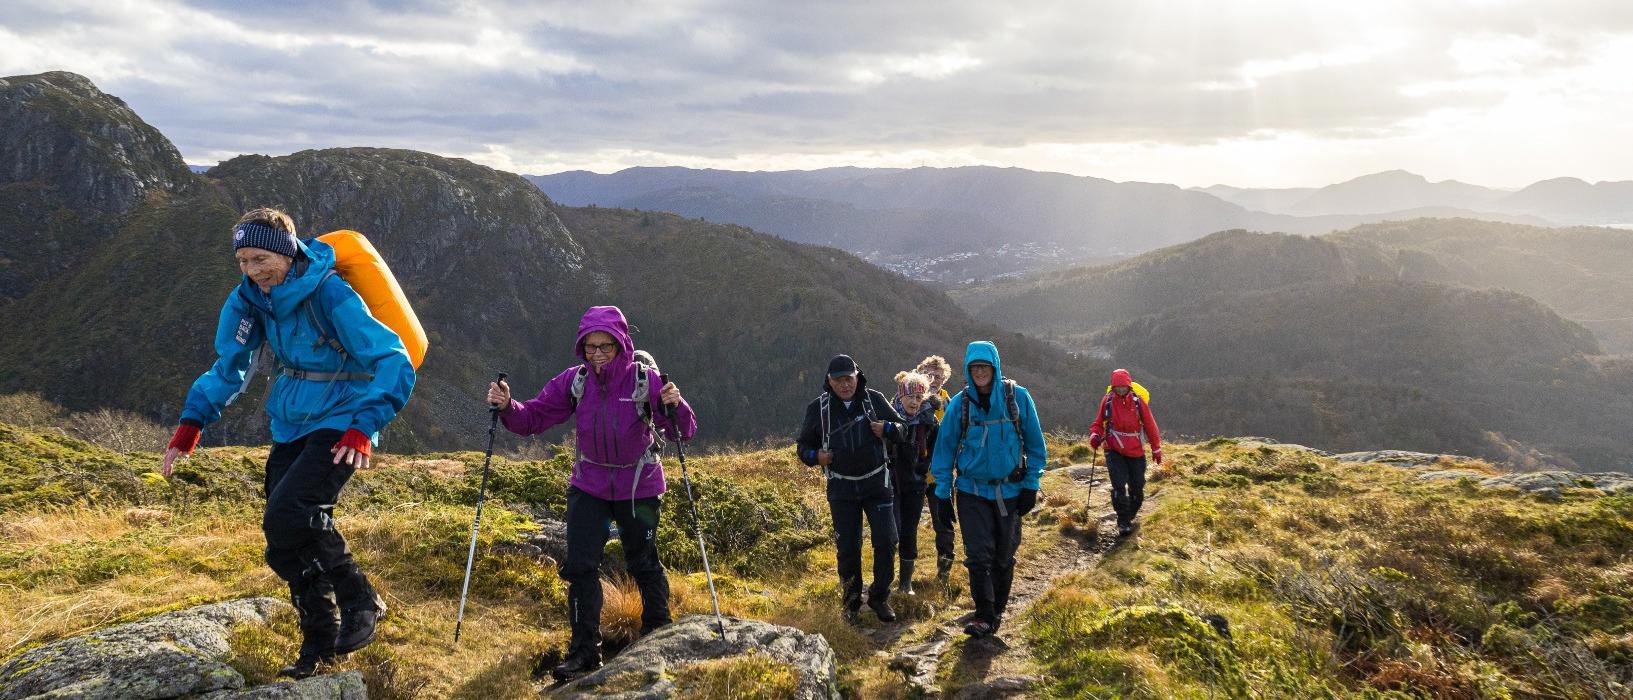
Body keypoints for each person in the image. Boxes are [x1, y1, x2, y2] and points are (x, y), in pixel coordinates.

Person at [161, 208, 416, 678]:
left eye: (260, 258)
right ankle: (318, 644)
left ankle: (360, 598)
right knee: (282, 538)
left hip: (343, 417)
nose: (252, 270)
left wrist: (364, 425)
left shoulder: (330, 292)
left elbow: (392, 358)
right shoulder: (249, 300)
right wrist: (191, 423)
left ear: (287, 252)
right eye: (242, 260)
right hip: (292, 419)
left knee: (293, 511)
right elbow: (230, 366)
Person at [486, 306, 695, 681]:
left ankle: (658, 637)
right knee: (581, 567)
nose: (597, 354)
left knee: (643, 562)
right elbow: (534, 417)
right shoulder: (575, 381)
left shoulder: (645, 381)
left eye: (605, 347)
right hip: (589, 486)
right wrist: (507, 407)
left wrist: (676, 405)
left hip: (639, 487)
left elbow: (683, 430)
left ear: (621, 344)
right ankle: (584, 653)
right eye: (590, 347)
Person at [928, 341, 1046, 638]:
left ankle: (997, 611)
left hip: (1011, 491)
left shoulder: (1017, 398)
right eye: (974, 367)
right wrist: (942, 494)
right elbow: (943, 451)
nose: (980, 372)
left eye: (985, 367)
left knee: (1003, 557)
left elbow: (1035, 445)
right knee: (978, 557)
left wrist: (1031, 484)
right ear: (968, 370)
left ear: (995, 367)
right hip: (971, 491)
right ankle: (984, 615)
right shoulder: (960, 405)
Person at [797, 355, 907, 623]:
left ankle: (879, 597)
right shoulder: (819, 408)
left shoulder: (874, 400)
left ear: (858, 377)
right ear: (829, 381)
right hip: (841, 488)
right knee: (847, 548)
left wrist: (888, 428)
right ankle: (851, 603)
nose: (845, 385)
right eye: (839, 380)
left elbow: (903, 430)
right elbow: (802, 448)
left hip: (877, 483)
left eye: (849, 379)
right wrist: (816, 457)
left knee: (887, 540)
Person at [1088, 369, 1162, 538]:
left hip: (1135, 450)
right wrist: (1095, 435)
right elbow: (1098, 423)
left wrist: (1156, 447)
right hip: (1113, 449)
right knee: (1119, 485)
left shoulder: (1138, 402)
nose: (1120, 390)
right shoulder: (1107, 400)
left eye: (1123, 387)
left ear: (1129, 386)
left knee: (1138, 487)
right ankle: (1123, 521)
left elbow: (1150, 424)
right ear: (1113, 387)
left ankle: (1129, 515)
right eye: (1117, 387)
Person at [889, 370, 939, 596]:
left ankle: (905, 584)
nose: (914, 401)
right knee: (891, 533)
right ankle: (885, 580)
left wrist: (926, 466)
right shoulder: (888, 418)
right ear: (900, 396)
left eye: (919, 397)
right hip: (890, 485)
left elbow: (937, 449)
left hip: (916, 485)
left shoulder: (929, 422)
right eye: (910, 396)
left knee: (909, 531)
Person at [914, 355, 958, 581]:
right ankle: (906, 573)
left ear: (945, 380)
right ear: (920, 374)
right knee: (907, 525)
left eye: (939, 377)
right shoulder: (908, 399)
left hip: (940, 476)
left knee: (944, 525)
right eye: (929, 375)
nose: (934, 380)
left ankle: (944, 572)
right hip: (912, 475)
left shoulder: (951, 405)